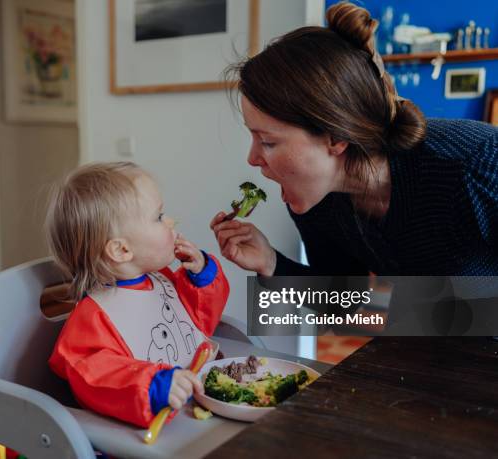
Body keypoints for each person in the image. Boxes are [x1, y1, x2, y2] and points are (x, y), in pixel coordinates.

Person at [211, 2, 498, 331]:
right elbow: (344, 304)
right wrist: (271, 263)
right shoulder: (320, 201)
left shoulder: (476, 162)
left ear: (335, 137)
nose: (252, 158)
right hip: (430, 352)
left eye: (269, 142)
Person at [47, 162, 229, 427]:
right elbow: (94, 375)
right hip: (154, 428)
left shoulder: (161, 280)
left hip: (202, 404)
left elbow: (197, 322)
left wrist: (201, 277)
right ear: (121, 251)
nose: (170, 222)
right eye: (158, 217)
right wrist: (155, 386)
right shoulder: (94, 318)